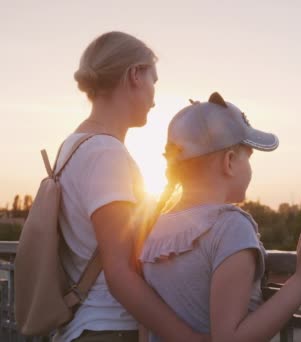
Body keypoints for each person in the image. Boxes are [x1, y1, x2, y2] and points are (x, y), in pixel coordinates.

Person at [141, 92, 301, 342]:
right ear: (230, 162)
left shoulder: (155, 229)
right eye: (248, 157)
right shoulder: (230, 226)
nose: (250, 167)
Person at [54, 31, 207, 342]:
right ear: (135, 75)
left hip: (84, 325)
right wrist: (189, 338)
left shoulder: (72, 147)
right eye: (153, 80)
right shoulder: (105, 154)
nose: (154, 96)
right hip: (107, 328)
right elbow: (120, 273)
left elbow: (113, 240)